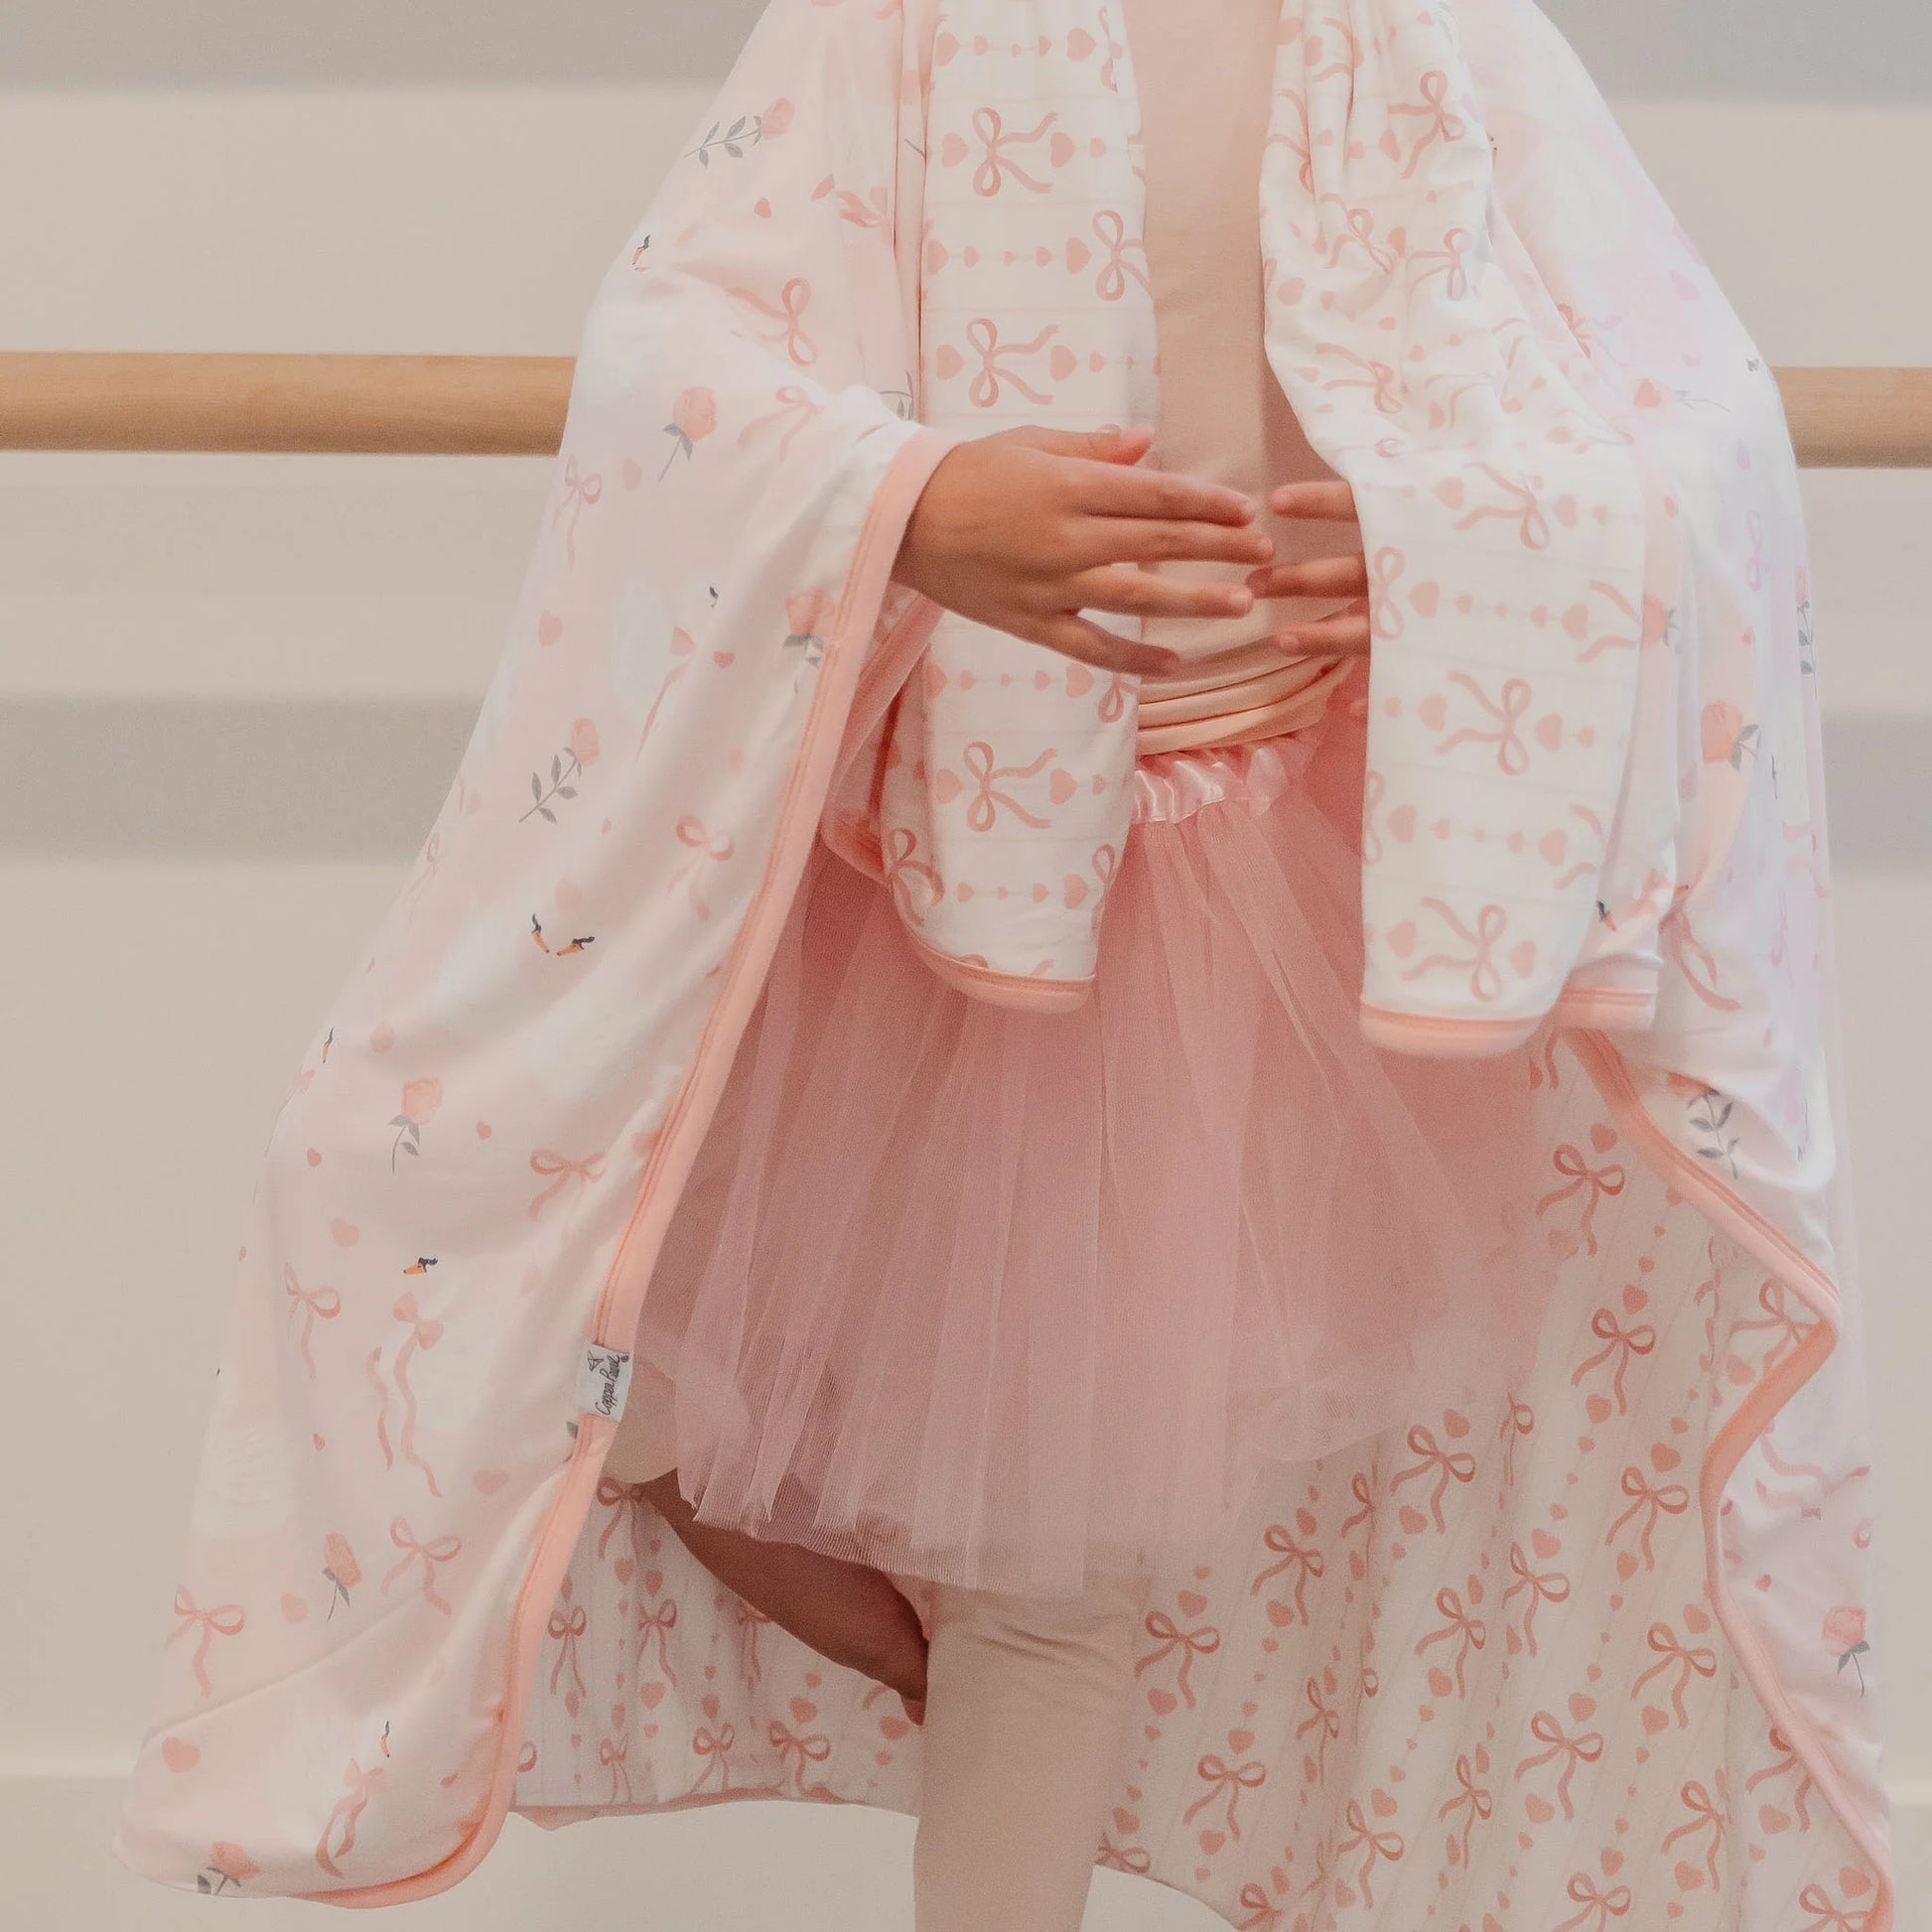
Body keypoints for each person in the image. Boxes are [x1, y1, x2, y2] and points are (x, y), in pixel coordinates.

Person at [598, 3, 1535, 1921]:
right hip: (925, 817)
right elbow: (681, 342)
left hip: (1240, 862)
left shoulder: (1416, 37)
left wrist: (1454, 538)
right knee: (583, 1313)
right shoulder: (899, 26)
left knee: (1053, 1574)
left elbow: (1597, 379)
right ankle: (681, 1450)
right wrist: (914, 500)